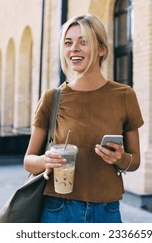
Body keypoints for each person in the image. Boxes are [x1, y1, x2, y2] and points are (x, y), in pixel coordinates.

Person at [23, 13, 144, 223]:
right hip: (58, 209)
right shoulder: (52, 98)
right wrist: (45, 161)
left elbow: (134, 161)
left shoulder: (125, 96)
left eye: (83, 42)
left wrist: (120, 159)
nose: (74, 49)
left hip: (107, 211)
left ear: (102, 49)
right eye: (68, 43)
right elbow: (28, 160)